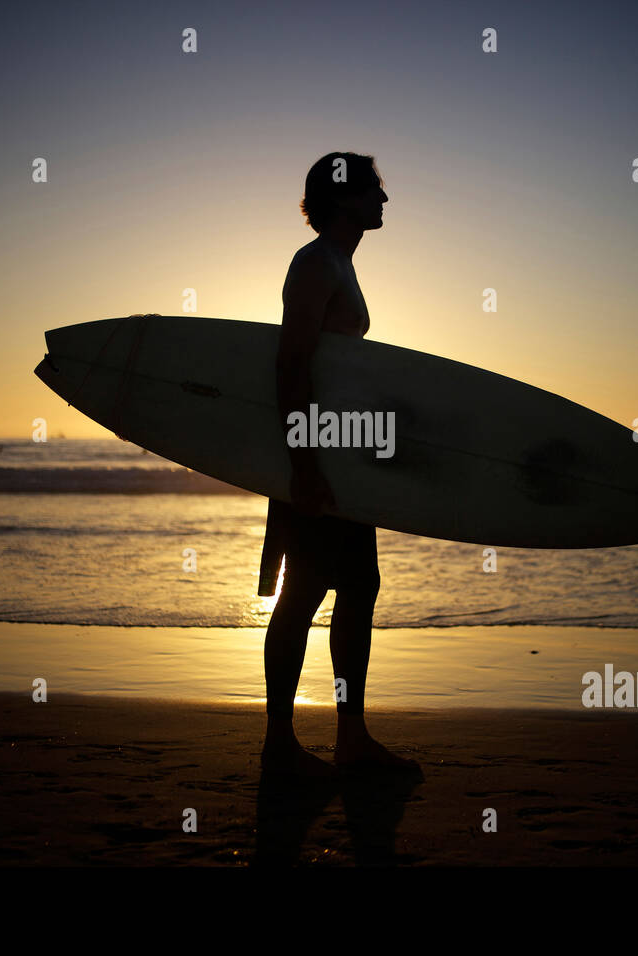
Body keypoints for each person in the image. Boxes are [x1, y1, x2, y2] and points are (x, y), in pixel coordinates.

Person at [259, 152, 419, 778]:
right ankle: (282, 745)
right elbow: (290, 363)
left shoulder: (340, 265)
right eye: (375, 190)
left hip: (340, 453)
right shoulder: (315, 263)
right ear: (343, 197)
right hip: (315, 454)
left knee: (355, 589)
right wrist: (302, 465)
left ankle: (347, 738)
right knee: (303, 594)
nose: (384, 200)